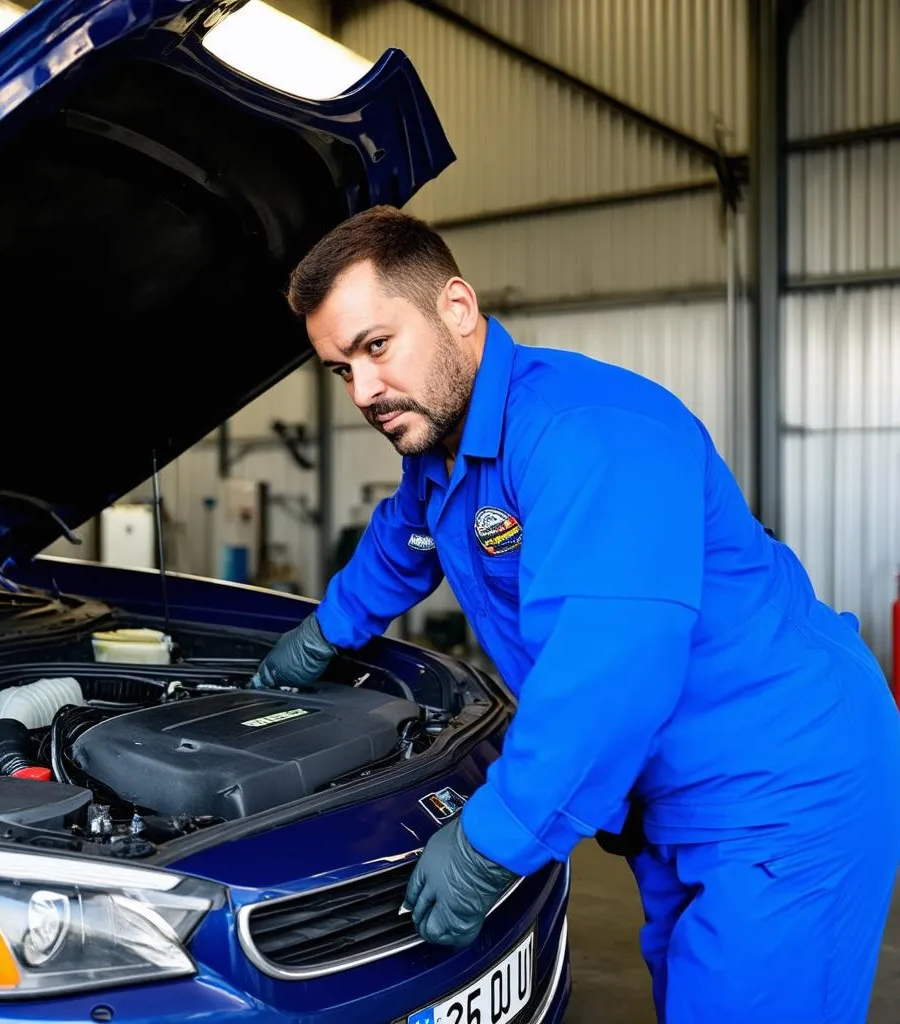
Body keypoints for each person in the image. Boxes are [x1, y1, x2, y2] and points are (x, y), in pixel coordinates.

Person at [249, 205, 900, 1023]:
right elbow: (403, 542)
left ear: (457, 308)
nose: (365, 390)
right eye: (342, 370)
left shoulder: (587, 434)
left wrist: (495, 840)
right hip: (672, 791)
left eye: (376, 346)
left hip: (784, 779)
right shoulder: (447, 451)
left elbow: (610, 670)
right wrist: (315, 642)